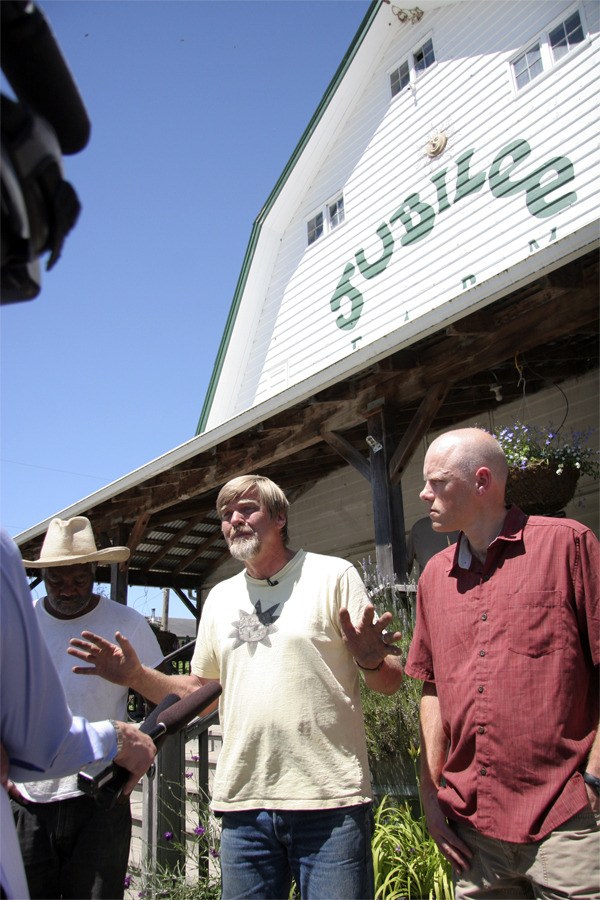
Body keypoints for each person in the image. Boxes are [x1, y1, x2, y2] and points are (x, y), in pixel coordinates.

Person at [68, 474, 405, 900]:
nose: (234, 521)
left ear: (280, 517)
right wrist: (135, 676)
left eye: (247, 509)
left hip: (330, 803)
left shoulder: (332, 575)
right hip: (243, 809)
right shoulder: (220, 598)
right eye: (226, 515)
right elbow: (203, 695)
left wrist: (370, 658)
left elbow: (390, 682)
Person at [405, 427, 599, 899]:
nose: (423, 493)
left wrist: (595, 779)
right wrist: (431, 797)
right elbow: (431, 687)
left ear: (482, 481)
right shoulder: (434, 576)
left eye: (438, 481)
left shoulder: (568, 546)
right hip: (473, 833)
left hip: (568, 819)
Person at [11, 517, 162, 900]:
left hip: (100, 795)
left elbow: (165, 696)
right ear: (43, 576)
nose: (68, 590)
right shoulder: (19, 622)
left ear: (95, 570)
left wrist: (145, 743)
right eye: (57, 581)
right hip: (27, 794)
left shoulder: (126, 623)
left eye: (79, 579)